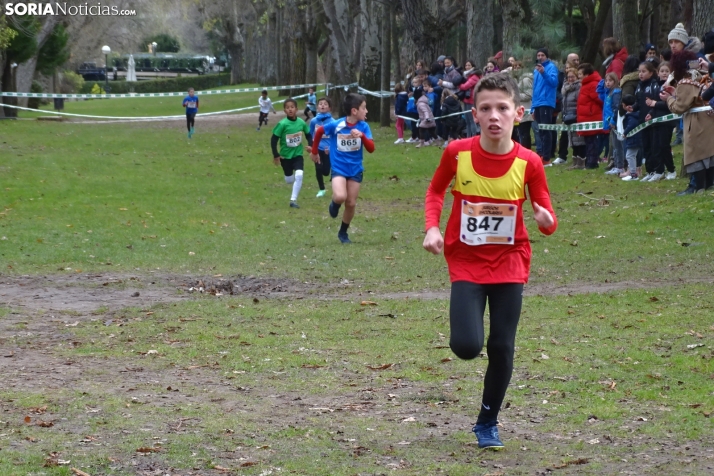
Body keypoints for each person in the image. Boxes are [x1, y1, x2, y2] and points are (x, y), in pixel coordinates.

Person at [422, 72, 557, 450]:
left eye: (502, 108)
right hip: (466, 260)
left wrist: (546, 220)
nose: (494, 115)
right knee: (466, 345)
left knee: (501, 346)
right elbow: (435, 191)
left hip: (510, 260)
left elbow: (546, 212)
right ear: (475, 114)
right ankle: (484, 414)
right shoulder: (457, 153)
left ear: (519, 113)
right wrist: (432, 228)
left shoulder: (529, 162)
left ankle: (487, 422)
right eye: (486, 109)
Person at [310, 93, 375, 243]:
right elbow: (319, 131)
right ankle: (334, 204)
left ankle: (343, 233)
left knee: (351, 203)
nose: (366, 111)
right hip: (339, 168)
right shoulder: (337, 124)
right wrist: (314, 152)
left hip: (355, 170)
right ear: (354, 111)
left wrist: (362, 137)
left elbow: (371, 148)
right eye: (364, 108)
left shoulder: (364, 126)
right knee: (340, 196)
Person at [661, 46, 714, 194]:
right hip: (709, 119)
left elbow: (680, 107)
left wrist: (669, 99)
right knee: (709, 153)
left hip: (696, 121)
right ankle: (709, 183)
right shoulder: (704, 74)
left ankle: (695, 186)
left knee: (696, 154)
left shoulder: (685, 81)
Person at [271, 98, 312, 209]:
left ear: (296, 109)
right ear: (285, 111)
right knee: (289, 180)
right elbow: (274, 139)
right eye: (287, 108)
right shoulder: (282, 124)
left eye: (292, 107)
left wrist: (311, 145)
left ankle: (293, 200)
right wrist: (276, 154)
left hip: (298, 155)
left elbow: (309, 135)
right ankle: (291, 179)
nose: (290, 109)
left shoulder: (301, 122)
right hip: (285, 156)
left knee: (299, 175)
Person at [633, 61, 663, 182]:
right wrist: (632, 107)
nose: (641, 74)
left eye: (644, 71)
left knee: (655, 146)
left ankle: (659, 170)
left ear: (651, 73)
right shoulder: (639, 86)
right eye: (639, 71)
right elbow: (638, 102)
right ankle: (650, 171)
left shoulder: (655, 85)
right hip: (642, 121)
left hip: (653, 121)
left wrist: (651, 113)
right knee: (646, 147)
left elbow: (656, 102)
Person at [649, 62, 677, 180]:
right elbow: (653, 102)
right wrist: (650, 113)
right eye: (662, 71)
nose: (664, 73)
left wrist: (655, 104)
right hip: (656, 120)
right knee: (656, 147)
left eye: (667, 71)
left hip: (667, 120)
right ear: (658, 72)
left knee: (664, 146)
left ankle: (671, 170)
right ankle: (659, 171)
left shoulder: (671, 86)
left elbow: (670, 103)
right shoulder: (655, 85)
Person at [531, 48, 560, 165]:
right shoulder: (536, 70)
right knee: (540, 131)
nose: (540, 57)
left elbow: (554, 83)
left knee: (546, 130)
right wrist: (533, 107)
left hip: (546, 102)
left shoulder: (551, 67)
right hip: (537, 103)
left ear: (547, 56)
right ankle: (542, 154)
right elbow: (535, 89)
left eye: (542, 55)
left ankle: (547, 157)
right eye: (538, 55)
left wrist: (544, 73)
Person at [617, 55, 642, 177]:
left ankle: (630, 170)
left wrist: (624, 109)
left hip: (629, 112)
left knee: (629, 146)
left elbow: (626, 97)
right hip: (640, 112)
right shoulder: (641, 80)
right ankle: (637, 168)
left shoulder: (628, 82)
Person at [576, 63, 604, 169]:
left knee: (592, 141)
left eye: (580, 74)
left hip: (592, 117)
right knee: (588, 141)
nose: (578, 76)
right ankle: (589, 161)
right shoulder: (585, 84)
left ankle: (592, 162)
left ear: (586, 74)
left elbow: (599, 99)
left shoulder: (592, 84)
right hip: (586, 117)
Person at [309, 97, 335, 198]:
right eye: (320, 104)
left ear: (330, 108)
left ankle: (333, 178)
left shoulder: (333, 122)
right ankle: (322, 189)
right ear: (317, 107)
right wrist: (312, 148)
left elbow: (335, 137)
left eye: (325, 104)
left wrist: (331, 148)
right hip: (317, 149)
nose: (322, 105)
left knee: (325, 171)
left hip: (328, 150)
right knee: (318, 168)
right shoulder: (314, 121)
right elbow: (310, 135)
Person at [561, 68, 586, 169]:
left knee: (579, 139)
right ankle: (575, 161)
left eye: (572, 77)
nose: (570, 79)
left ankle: (581, 161)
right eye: (569, 77)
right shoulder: (565, 89)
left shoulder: (579, 87)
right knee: (572, 140)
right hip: (568, 116)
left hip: (576, 116)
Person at [602, 73, 624, 175]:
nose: (607, 83)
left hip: (615, 123)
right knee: (614, 145)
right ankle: (616, 164)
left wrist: (613, 121)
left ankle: (620, 166)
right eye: (606, 80)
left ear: (615, 81)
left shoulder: (616, 93)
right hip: (610, 122)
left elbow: (616, 108)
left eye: (610, 80)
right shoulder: (608, 93)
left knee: (617, 145)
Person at [621, 94, 642, 181]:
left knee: (629, 156)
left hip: (634, 139)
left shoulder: (631, 116)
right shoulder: (634, 115)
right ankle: (633, 172)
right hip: (635, 139)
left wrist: (625, 133)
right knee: (631, 155)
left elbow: (631, 125)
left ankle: (633, 173)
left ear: (626, 106)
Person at [459, 60, 481, 137]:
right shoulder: (467, 76)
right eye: (466, 65)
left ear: (473, 66)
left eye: (469, 65)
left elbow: (465, 86)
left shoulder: (474, 76)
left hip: (471, 100)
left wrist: (458, 85)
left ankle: (474, 136)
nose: (467, 67)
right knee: (467, 120)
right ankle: (468, 137)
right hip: (466, 100)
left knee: (472, 120)